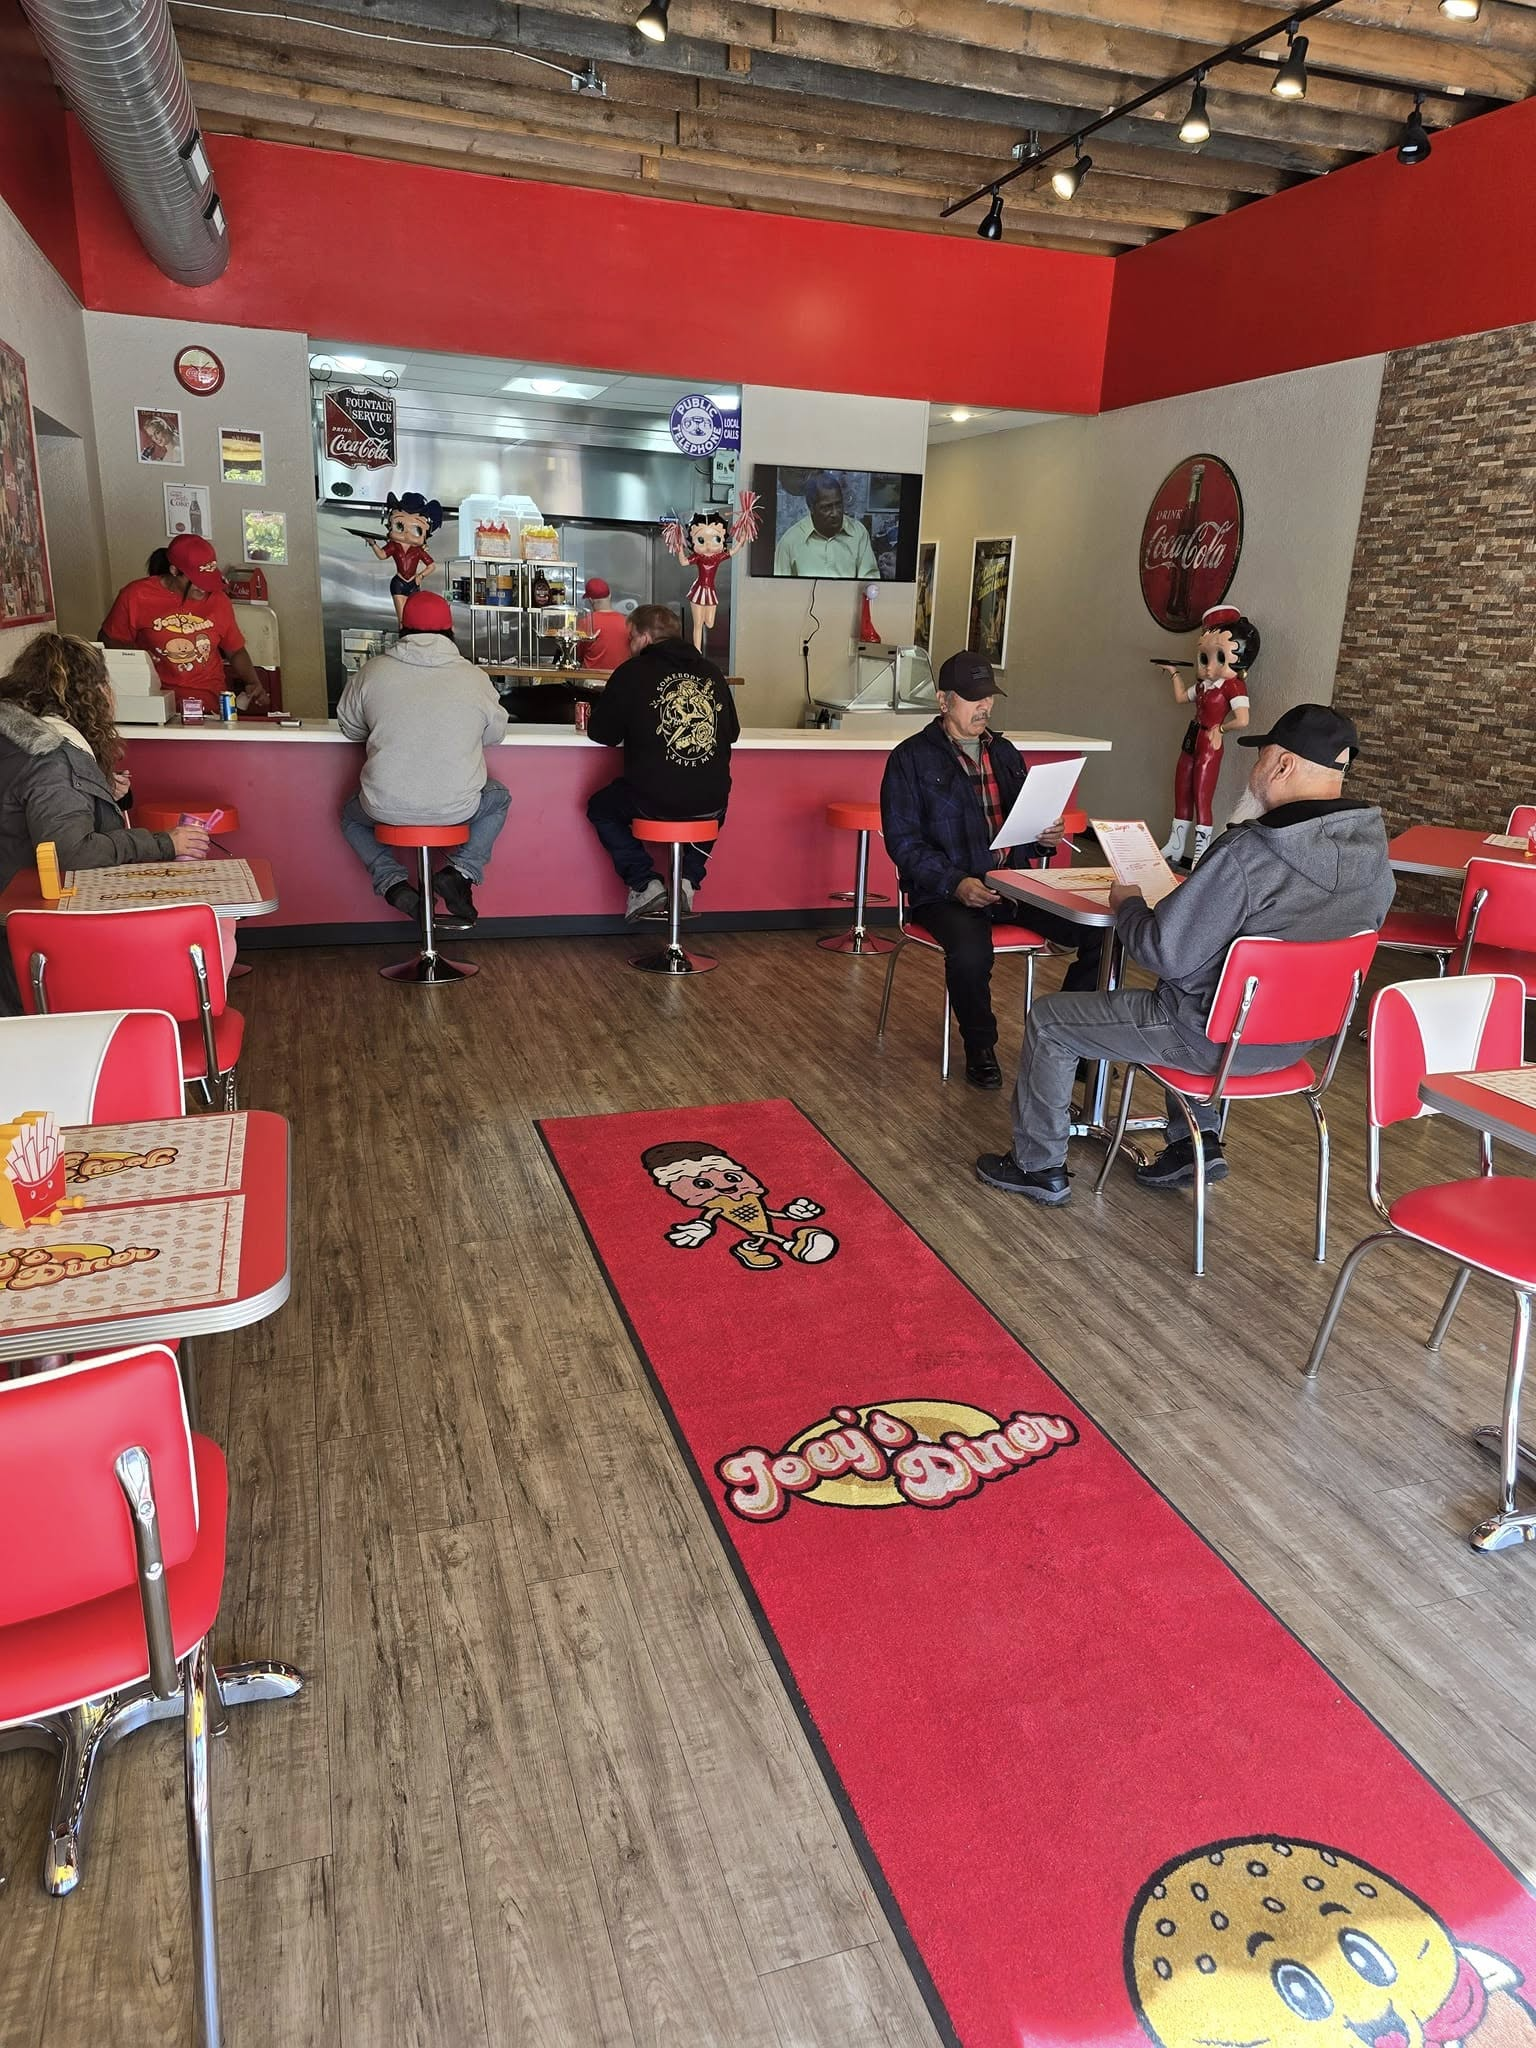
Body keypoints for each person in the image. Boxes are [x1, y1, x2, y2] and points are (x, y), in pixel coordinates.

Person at [975, 704, 1396, 1204]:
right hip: (1301, 1039)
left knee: (1051, 1020)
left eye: (1260, 758)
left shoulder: (1251, 853)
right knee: (1209, 981)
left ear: (1282, 765)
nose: (1254, 771)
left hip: (1210, 1040)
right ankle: (1197, 1143)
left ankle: (1037, 1166)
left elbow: (1162, 951)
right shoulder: (1376, 858)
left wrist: (1129, 904)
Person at [880, 650, 1103, 1089]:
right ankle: (980, 1045)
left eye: (989, 698)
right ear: (944, 702)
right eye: (972, 698)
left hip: (1014, 885)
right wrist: (956, 882)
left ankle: (1070, 1040)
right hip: (945, 893)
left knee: (1102, 932)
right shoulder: (909, 759)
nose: (984, 706)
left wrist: (1045, 838)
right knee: (969, 953)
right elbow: (904, 845)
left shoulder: (1005, 753)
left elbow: (1025, 827)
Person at [0, 633, 209, 1013]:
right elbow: (74, 853)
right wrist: (166, 843)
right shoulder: (52, 759)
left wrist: (97, 792)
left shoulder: (13, 739)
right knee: (210, 940)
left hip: (14, 919)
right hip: (35, 933)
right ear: (91, 693)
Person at [336, 590, 510, 928]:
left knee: (351, 818)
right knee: (499, 797)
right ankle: (460, 873)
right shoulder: (474, 677)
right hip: (456, 809)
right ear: (450, 631)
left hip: (382, 806)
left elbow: (351, 729)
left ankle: (394, 884)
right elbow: (495, 735)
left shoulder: (371, 673)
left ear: (403, 628)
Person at [585, 603, 738, 921]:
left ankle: (645, 884)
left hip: (651, 801)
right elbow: (733, 732)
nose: (629, 646)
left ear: (643, 637)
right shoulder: (710, 671)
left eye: (630, 639)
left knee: (601, 808)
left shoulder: (632, 672)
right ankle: (687, 881)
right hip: (711, 802)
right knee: (711, 805)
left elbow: (603, 734)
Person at [101, 534, 269, 714]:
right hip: (155, 703)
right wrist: (140, 657)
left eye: (209, 580)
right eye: (198, 581)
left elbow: (235, 650)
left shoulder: (218, 600)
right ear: (174, 571)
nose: (205, 588)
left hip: (209, 705)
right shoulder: (136, 596)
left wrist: (253, 682)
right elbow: (109, 639)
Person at [773, 473, 879, 581]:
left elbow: (869, 582)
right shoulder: (789, 542)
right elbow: (778, 589)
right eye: (826, 508)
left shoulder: (858, 533)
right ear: (811, 508)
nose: (835, 513)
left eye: (838, 505)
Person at [579, 578, 632, 671]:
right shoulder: (627, 622)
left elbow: (578, 655)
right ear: (610, 595)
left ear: (591, 600)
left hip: (591, 681)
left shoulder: (586, 622)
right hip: (620, 680)